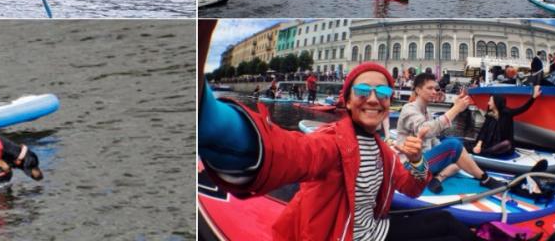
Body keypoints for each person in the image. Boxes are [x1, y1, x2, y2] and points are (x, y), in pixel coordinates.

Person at [200, 58, 480, 241]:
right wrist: (217, 124)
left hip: (375, 230)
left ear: (388, 102)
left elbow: (412, 188)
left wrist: (417, 160)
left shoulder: (382, 150)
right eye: (363, 91)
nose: (373, 99)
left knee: (445, 221)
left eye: (383, 93)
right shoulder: (332, 142)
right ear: (346, 101)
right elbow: (289, 152)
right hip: (343, 236)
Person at [397, 73, 507, 194]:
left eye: (435, 88)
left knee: (461, 154)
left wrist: (453, 153)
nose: (434, 91)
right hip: (410, 166)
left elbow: (433, 140)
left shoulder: (426, 111)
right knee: (454, 146)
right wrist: (456, 108)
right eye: (429, 88)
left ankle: (438, 178)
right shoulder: (409, 109)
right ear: (418, 90)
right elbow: (426, 130)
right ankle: (485, 179)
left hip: (425, 161)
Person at [470, 85, 542, 157]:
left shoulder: (507, 113)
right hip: (489, 144)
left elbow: (523, 108)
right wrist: (478, 145)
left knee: (507, 144)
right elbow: (483, 131)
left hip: (500, 146)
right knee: (470, 144)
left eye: (490, 101)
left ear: (496, 102)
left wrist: (533, 97)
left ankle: (484, 152)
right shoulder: (490, 115)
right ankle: (483, 151)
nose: (488, 103)